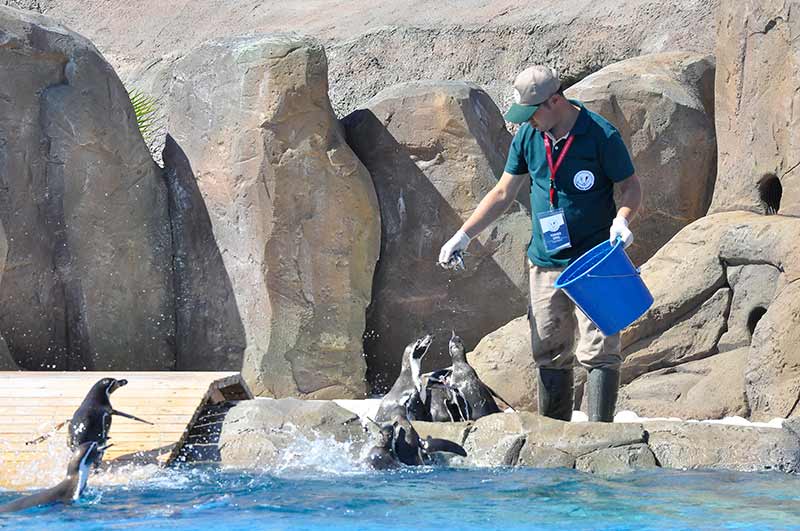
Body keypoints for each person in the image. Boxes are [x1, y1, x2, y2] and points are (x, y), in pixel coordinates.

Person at [438, 65, 642, 422]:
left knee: (600, 350)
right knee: (548, 350)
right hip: (545, 261)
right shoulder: (528, 137)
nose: (526, 122)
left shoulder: (600, 135)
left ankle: (601, 438)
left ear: (555, 101)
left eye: (531, 114)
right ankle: (553, 437)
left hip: (595, 261)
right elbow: (503, 192)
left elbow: (631, 187)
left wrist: (621, 220)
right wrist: (464, 235)